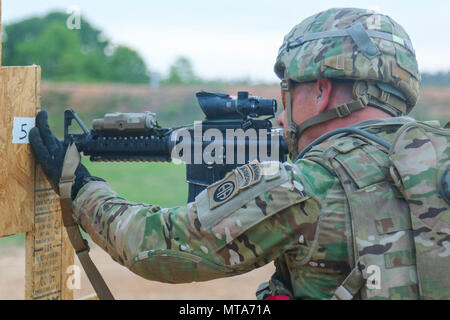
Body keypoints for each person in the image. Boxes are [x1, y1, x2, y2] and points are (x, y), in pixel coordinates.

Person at [29, 8, 444, 300]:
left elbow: (155, 246)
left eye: (290, 91)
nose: (283, 114)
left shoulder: (307, 186)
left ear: (320, 91)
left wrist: (79, 186)